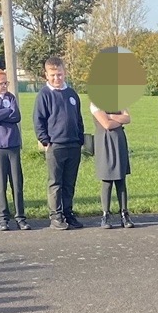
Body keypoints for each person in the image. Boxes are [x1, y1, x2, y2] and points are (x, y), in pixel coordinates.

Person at [34, 56, 86, 231]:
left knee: (69, 182)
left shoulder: (71, 94)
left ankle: (68, 213)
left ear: (65, 73)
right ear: (46, 75)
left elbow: (78, 118)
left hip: (73, 145)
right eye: (53, 75)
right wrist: (45, 140)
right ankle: (56, 215)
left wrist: (80, 138)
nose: (57, 78)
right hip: (55, 145)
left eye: (60, 74)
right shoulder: (44, 95)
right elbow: (39, 120)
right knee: (55, 182)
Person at [0, 69, 29, 231]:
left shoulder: (10, 97)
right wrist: (7, 112)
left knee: (17, 182)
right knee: (0, 183)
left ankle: (20, 216)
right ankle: (3, 218)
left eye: (5, 83)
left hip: (13, 144)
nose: (4, 86)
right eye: (1, 83)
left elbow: (17, 116)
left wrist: (2, 113)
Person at [91, 99, 134, 229]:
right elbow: (106, 125)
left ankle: (124, 213)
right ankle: (106, 214)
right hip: (104, 142)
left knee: (121, 178)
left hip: (119, 140)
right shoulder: (95, 103)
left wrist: (111, 116)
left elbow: (128, 118)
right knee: (107, 179)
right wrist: (119, 120)